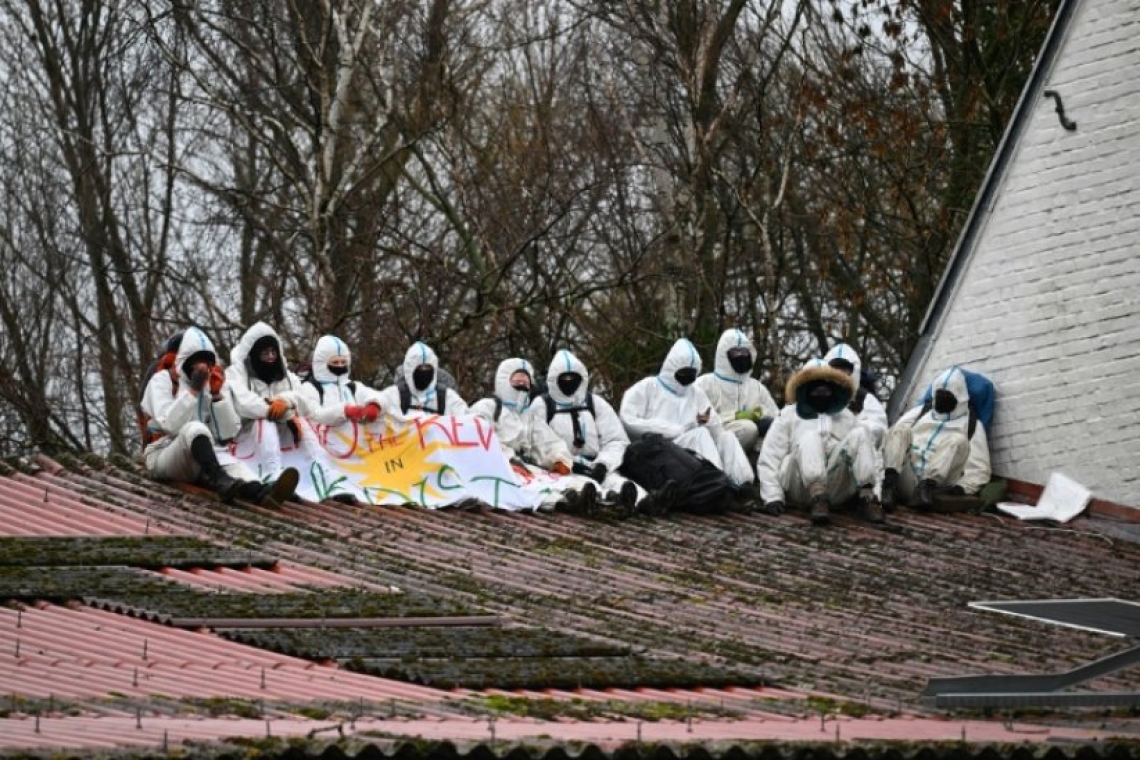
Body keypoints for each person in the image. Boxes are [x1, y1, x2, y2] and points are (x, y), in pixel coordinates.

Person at [140, 327, 298, 505]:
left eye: (207, 363)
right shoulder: (162, 380)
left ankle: (263, 493)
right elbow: (169, 425)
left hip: (204, 456)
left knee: (238, 469)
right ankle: (219, 479)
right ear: (184, 361)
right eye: (196, 362)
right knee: (195, 428)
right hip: (164, 454)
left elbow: (228, 433)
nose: (203, 368)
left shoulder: (214, 384)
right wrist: (193, 391)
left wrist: (217, 396)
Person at [619, 338, 759, 505]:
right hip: (660, 451)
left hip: (692, 455)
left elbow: (712, 423)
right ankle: (717, 485)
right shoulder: (648, 388)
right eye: (683, 372)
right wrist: (674, 430)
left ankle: (743, 485)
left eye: (692, 374)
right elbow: (629, 420)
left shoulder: (695, 393)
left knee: (726, 437)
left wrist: (712, 431)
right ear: (672, 368)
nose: (687, 378)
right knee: (699, 434)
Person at [536, 349, 667, 514]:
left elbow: (616, 439)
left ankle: (646, 502)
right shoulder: (542, 406)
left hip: (597, 464)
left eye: (573, 378)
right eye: (564, 379)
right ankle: (608, 502)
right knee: (583, 487)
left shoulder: (595, 403)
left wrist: (603, 464)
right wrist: (567, 462)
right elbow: (538, 444)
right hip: (565, 469)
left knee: (622, 483)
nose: (569, 382)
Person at [756, 358, 884, 525]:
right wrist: (773, 497)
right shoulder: (788, 416)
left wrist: (877, 492)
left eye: (825, 386)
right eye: (815, 386)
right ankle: (817, 497)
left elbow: (873, 455)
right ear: (804, 388)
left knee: (861, 433)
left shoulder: (846, 417)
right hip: (800, 486)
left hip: (835, 487)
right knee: (810, 437)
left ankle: (867, 499)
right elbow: (769, 457)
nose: (821, 391)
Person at [470, 358, 600, 513]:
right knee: (527, 487)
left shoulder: (529, 416)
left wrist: (559, 460)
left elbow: (548, 442)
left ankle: (599, 498)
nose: (522, 387)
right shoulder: (487, 407)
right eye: (517, 381)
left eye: (526, 383)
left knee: (570, 481)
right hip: (498, 467)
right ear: (503, 381)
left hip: (527, 467)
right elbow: (478, 437)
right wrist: (508, 458)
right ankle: (564, 503)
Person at [881, 366, 992, 510]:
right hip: (905, 477)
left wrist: (962, 488)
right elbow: (891, 440)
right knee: (900, 429)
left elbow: (980, 469)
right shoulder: (921, 412)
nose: (943, 399)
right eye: (940, 394)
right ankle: (889, 488)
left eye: (948, 395)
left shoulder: (972, 424)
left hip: (936, 489)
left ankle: (925, 488)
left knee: (958, 440)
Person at [225, 321, 308, 483]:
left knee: (305, 425)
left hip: (282, 438)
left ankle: (318, 472)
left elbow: (305, 402)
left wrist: (286, 401)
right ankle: (272, 475)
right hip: (247, 437)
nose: (270, 357)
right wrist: (285, 414)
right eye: (264, 353)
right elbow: (244, 404)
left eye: (273, 351)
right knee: (264, 422)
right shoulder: (235, 373)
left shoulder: (287, 377)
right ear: (254, 354)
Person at [695, 328, 780, 458]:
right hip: (713, 442)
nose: (741, 357)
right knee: (748, 429)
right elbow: (696, 418)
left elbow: (777, 418)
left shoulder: (756, 387)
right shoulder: (705, 383)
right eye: (735, 353)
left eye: (744, 353)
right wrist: (737, 416)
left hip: (753, 449)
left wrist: (762, 417)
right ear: (724, 354)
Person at [298, 335, 384, 430]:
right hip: (321, 443)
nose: (340, 366)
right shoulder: (310, 388)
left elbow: (378, 396)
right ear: (322, 363)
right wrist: (345, 411)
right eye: (335, 362)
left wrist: (374, 405)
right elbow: (314, 415)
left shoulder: (352, 387)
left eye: (343, 362)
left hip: (353, 443)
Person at [377, 341, 470, 420]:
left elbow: (467, 421)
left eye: (428, 368)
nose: (424, 372)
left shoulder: (447, 398)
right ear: (410, 370)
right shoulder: (394, 396)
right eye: (420, 368)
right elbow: (376, 409)